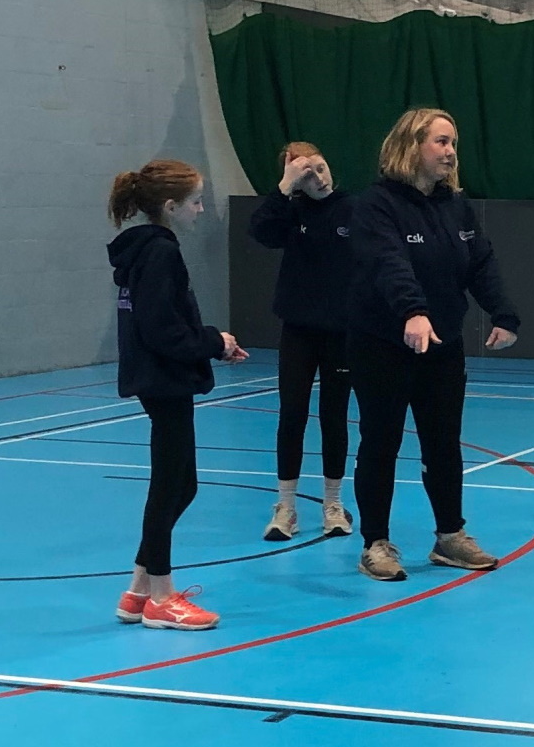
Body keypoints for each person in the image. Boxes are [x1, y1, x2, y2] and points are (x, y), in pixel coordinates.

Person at [347, 109, 519, 582]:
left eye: (454, 143)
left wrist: (503, 313)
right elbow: (389, 263)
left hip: (443, 346)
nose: (450, 152)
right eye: (441, 142)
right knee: (380, 441)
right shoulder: (375, 206)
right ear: (411, 146)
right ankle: (375, 543)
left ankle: (450, 536)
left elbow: (480, 263)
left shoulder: (457, 208)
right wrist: (411, 312)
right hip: (382, 344)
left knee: (443, 442)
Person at [108, 159, 248, 630]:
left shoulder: (146, 250)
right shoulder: (159, 252)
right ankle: (162, 598)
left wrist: (212, 342)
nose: (201, 209)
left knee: (181, 484)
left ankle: (137, 590)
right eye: (195, 202)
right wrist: (214, 342)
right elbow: (163, 329)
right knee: (170, 485)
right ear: (170, 206)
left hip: (161, 378)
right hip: (163, 380)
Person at [248, 142, 354, 542]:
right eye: (307, 174)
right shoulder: (289, 214)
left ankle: (333, 503)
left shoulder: (353, 210)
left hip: (341, 333)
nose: (318, 178)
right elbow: (260, 231)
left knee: (334, 416)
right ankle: (286, 506)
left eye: (321, 168)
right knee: (292, 414)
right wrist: (284, 187)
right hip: (298, 331)